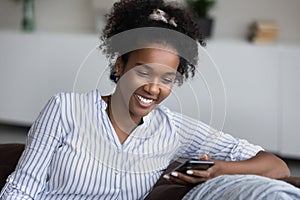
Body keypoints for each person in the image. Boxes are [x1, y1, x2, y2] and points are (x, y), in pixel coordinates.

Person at [0, 0, 297, 199]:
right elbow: (22, 188)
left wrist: (221, 168)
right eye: (143, 72)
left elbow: (276, 167)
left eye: (167, 79)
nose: (154, 88)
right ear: (120, 66)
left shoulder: (173, 129)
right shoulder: (65, 109)